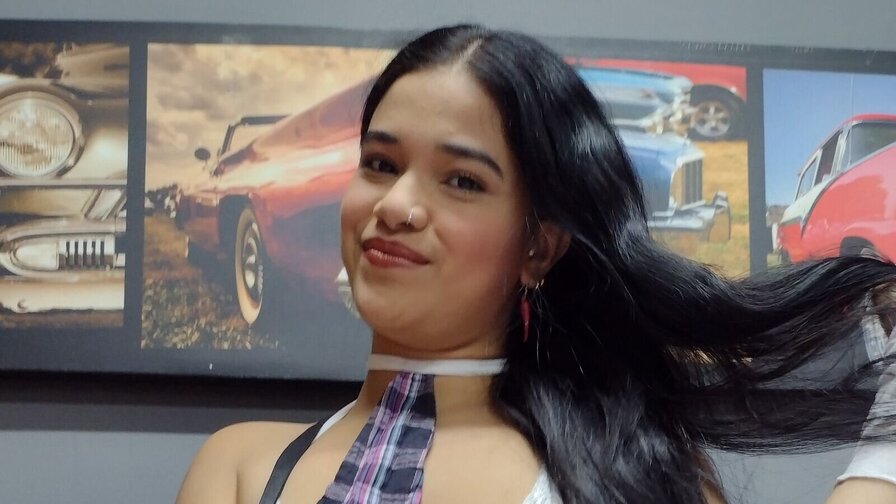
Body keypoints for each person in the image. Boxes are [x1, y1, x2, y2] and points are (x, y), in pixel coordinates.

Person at [175, 25, 896, 504]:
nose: (395, 204)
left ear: (538, 247)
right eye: (380, 163)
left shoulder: (634, 481)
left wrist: (882, 458)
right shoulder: (240, 469)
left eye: (462, 180)